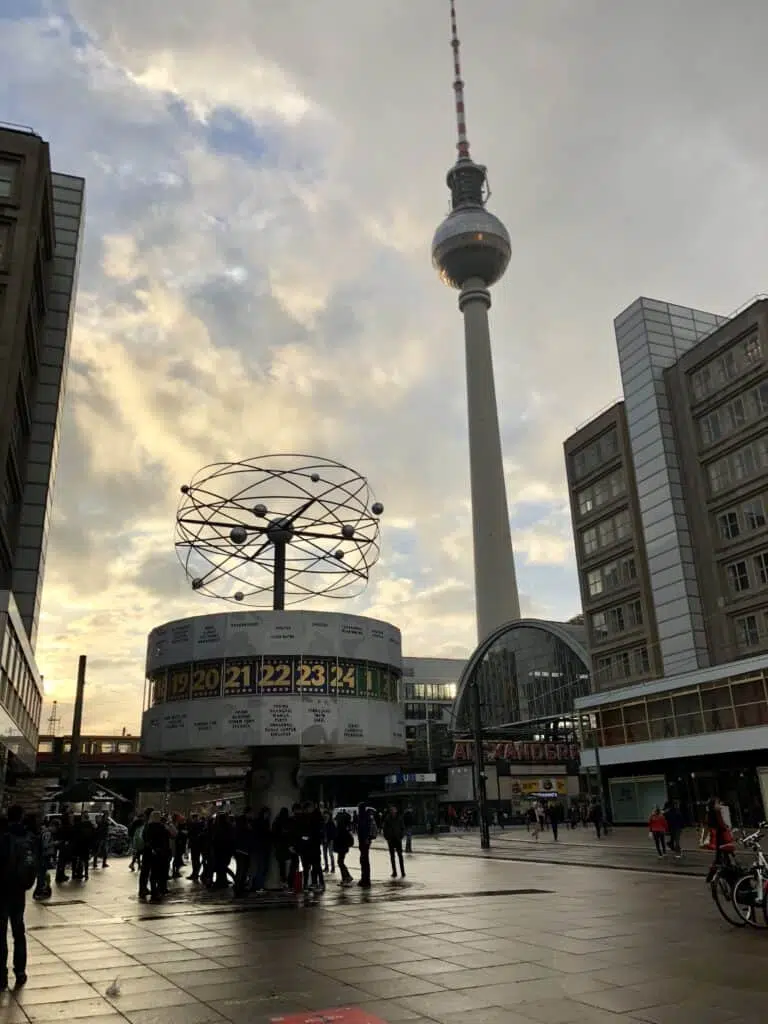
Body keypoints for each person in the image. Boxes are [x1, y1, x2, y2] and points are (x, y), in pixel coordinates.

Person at [0, 805, 38, 990]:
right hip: (19, 892)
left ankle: (1, 976)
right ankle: (20, 971)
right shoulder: (27, 837)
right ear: (22, 817)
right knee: (18, 933)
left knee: (1, 935)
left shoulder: (4, 837)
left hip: (2, 891)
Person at [383, 806, 406, 879]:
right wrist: (387, 837)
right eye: (391, 810)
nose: (393, 811)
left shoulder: (399, 818)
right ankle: (394, 871)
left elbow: (402, 828)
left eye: (394, 810)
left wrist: (401, 836)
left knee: (400, 856)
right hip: (391, 839)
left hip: (397, 839)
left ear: (396, 811)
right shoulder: (387, 818)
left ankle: (402, 871)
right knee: (392, 857)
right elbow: (385, 829)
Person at [334, 810, 354, 885]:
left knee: (340, 862)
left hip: (342, 848)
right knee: (340, 862)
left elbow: (339, 838)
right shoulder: (343, 828)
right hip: (343, 848)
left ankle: (346, 878)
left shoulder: (341, 829)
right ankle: (346, 877)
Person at [356, 802, 372, 889]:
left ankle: (365, 879)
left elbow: (363, 829)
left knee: (364, 860)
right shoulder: (366, 816)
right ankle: (366, 879)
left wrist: (365, 839)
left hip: (364, 842)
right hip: (365, 841)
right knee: (365, 860)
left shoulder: (363, 817)